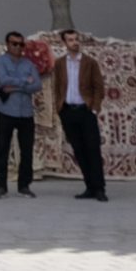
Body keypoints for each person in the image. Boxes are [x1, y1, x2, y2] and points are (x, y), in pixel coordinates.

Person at [48, 28, 107, 202]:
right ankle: (89, 186)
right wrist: (60, 108)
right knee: (79, 151)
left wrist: (94, 108)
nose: (75, 42)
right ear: (64, 43)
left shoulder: (90, 62)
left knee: (92, 149)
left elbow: (99, 87)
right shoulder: (59, 64)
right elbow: (57, 86)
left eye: (76, 39)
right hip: (68, 111)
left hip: (85, 111)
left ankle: (99, 188)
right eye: (71, 40)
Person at [0, 31, 42, 199]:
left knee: (27, 151)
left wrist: (15, 86)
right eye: (14, 44)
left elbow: (37, 85)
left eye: (21, 44)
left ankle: (24, 185)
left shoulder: (29, 64)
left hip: (25, 112)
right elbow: (3, 80)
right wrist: (25, 82)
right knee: (2, 150)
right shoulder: (0, 61)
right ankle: (1, 186)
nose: (18, 47)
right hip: (5, 111)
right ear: (7, 44)